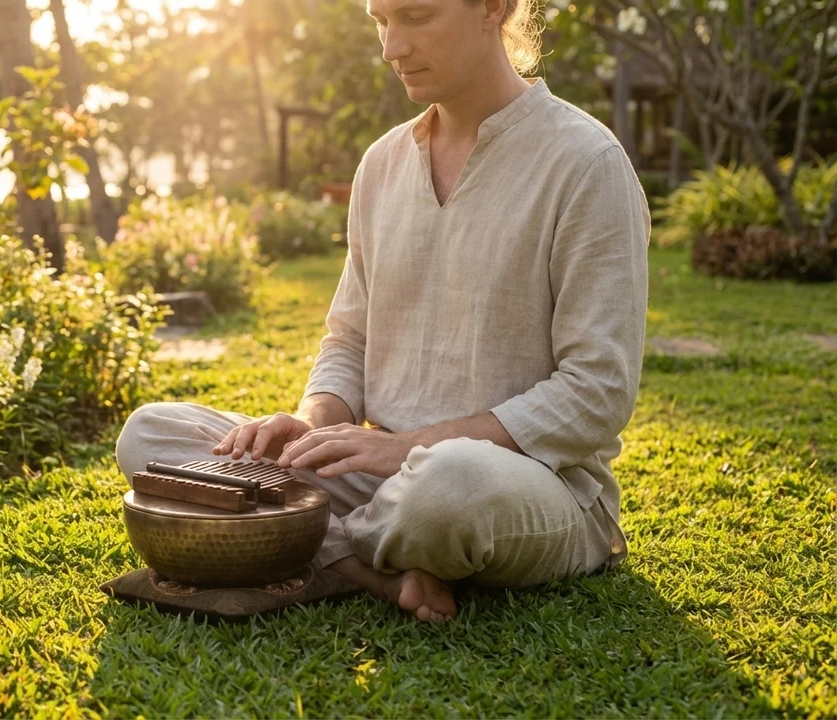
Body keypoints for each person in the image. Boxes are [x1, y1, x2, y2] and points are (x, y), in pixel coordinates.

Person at [114, 0, 649, 623]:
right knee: (151, 435)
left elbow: (597, 392)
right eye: (380, 21)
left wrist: (413, 449)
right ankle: (366, 560)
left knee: (447, 486)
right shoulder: (382, 163)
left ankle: (322, 544)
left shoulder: (587, 163)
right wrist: (314, 424)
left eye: (416, 17)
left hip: (522, 486)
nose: (391, 48)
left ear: (494, 8)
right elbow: (349, 340)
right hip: (373, 471)